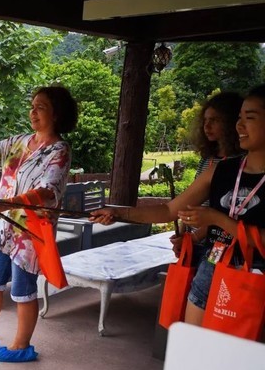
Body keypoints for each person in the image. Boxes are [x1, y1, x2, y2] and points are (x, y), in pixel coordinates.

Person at [92, 84, 265, 327]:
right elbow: (168, 210)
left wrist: (216, 219)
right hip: (213, 264)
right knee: (194, 349)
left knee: (239, 357)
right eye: (239, 118)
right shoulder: (221, 170)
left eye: (250, 118)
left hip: (256, 276)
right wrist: (118, 211)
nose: (240, 125)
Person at [0, 86, 78, 363]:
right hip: (3, 226)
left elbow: (47, 191)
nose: (33, 112)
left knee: (23, 289)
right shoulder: (19, 142)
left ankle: (21, 346)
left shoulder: (59, 149)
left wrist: (8, 203)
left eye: (41, 107)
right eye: (32, 106)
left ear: (57, 114)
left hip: (30, 229)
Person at [172, 91, 244, 261]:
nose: (207, 126)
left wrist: (194, 237)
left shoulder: (239, 164)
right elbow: (192, 201)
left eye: (214, 120)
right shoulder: (208, 159)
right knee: (188, 281)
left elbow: (224, 212)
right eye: (205, 120)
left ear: (231, 123)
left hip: (219, 243)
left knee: (209, 279)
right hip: (192, 239)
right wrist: (183, 233)